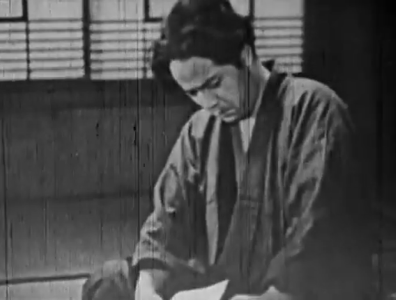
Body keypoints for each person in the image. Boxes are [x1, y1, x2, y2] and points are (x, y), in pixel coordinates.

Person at [82, 0, 373, 299]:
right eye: (193, 92)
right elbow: (166, 225)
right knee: (109, 281)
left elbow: (318, 235)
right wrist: (148, 288)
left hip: (288, 290)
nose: (208, 101)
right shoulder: (200, 130)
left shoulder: (314, 110)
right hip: (221, 285)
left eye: (215, 83)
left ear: (245, 56)